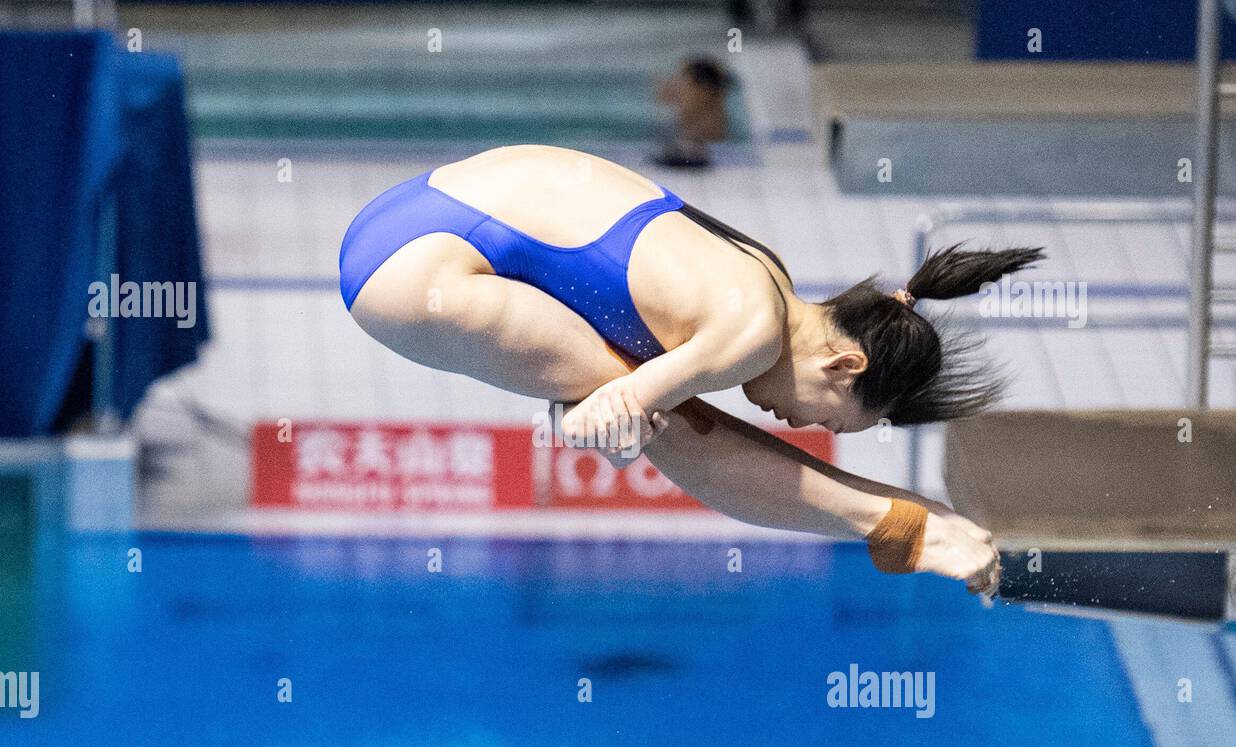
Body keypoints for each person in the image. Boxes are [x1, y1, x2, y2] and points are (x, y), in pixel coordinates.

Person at [339, 145, 1041, 593]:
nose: (802, 424)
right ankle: (906, 529)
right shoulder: (753, 333)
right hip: (405, 274)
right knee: (665, 428)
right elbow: (599, 423)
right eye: (834, 419)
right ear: (845, 362)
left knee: (652, 403)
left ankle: (910, 521)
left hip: (416, 207)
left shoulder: (768, 273)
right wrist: (615, 429)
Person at [654, 57, 731, 168]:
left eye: (681, 84)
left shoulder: (708, 134)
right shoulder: (686, 126)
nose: (674, 89)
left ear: (703, 92)